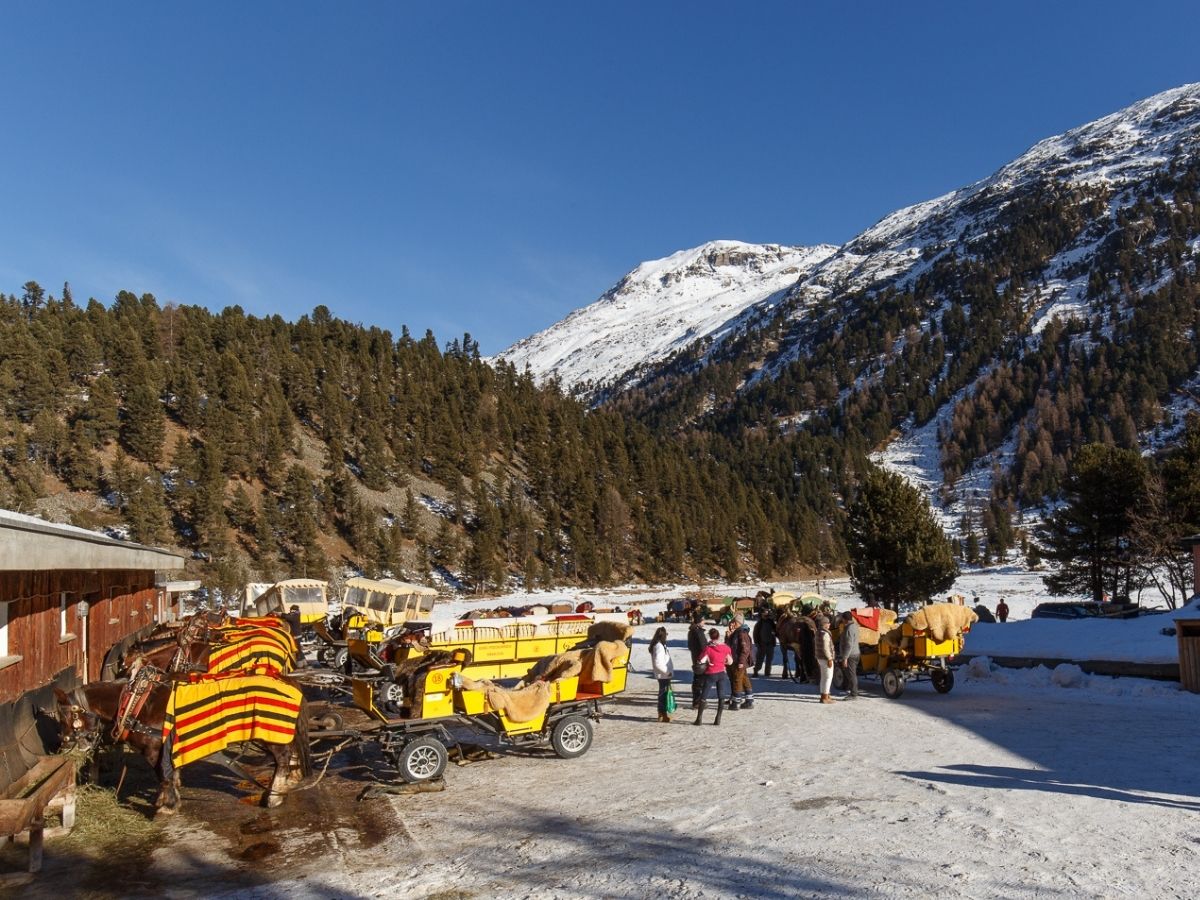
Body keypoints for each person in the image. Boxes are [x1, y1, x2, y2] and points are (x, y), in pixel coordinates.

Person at [695, 628, 732, 726]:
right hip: (721, 673)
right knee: (721, 695)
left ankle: (699, 719)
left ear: (710, 637)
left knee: (704, 695)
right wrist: (723, 662)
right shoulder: (725, 647)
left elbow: (701, 661)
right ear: (718, 636)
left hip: (711, 673)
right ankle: (718, 719)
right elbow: (730, 661)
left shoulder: (708, 649)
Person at [725, 615, 755, 710]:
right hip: (736, 660)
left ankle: (736, 702)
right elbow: (729, 647)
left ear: (737, 622)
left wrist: (741, 661)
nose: (731, 623)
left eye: (733, 622)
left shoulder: (741, 633)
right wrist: (728, 636)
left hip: (739, 661)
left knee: (737, 679)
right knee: (744, 678)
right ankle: (749, 701)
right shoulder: (736, 632)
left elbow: (745, 649)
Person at [648, 627, 674, 723]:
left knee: (663, 694)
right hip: (663, 674)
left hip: (664, 674)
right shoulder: (659, 646)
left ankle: (662, 713)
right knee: (663, 695)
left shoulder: (661, 645)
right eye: (666, 634)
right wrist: (667, 672)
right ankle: (662, 714)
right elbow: (658, 663)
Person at [687, 610, 708, 709]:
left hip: (696, 658)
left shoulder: (692, 631)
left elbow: (690, 646)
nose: (704, 621)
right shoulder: (697, 632)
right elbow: (704, 647)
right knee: (700, 681)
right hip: (701, 660)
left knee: (697, 680)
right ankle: (698, 701)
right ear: (699, 621)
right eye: (703, 620)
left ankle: (697, 700)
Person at [836, 610, 860, 700]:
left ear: (844, 619)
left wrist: (845, 658)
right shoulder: (854, 626)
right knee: (850, 673)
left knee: (851, 674)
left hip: (851, 655)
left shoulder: (849, 628)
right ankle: (852, 689)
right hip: (855, 652)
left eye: (842, 618)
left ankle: (854, 694)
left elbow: (849, 644)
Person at [816, 616, 835, 704]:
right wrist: (830, 658)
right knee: (828, 677)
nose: (829, 624)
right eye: (828, 623)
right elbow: (826, 648)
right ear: (824, 624)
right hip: (825, 658)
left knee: (823, 677)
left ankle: (824, 695)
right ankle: (825, 697)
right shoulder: (825, 634)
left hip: (819, 657)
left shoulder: (817, 632)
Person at [752, 611, 776, 678]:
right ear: (761, 615)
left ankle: (767, 672)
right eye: (764, 613)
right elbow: (755, 634)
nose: (765, 615)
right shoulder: (759, 624)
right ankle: (756, 671)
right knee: (759, 659)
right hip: (762, 644)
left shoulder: (771, 622)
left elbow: (776, 631)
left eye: (766, 614)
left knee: (769, 660)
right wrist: (756, 643)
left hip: (770, 644)